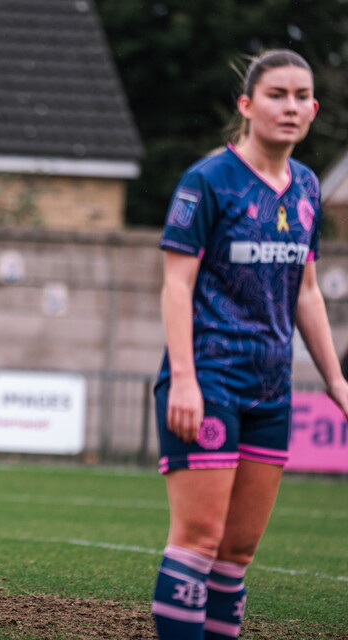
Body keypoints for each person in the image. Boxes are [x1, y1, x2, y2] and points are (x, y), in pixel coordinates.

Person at [151, 49, 348, 640]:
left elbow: (306, 292)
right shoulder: (207, 181)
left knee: (236, 555)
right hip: (209, 383)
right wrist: (183, 378)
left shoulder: (309, 186)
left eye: (300, 96)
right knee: (198, 542)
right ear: (247, 105)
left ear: (313, 108)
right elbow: (175, 284)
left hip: (272, 389)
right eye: (275, 94)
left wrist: (336, 381)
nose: (289, 107)